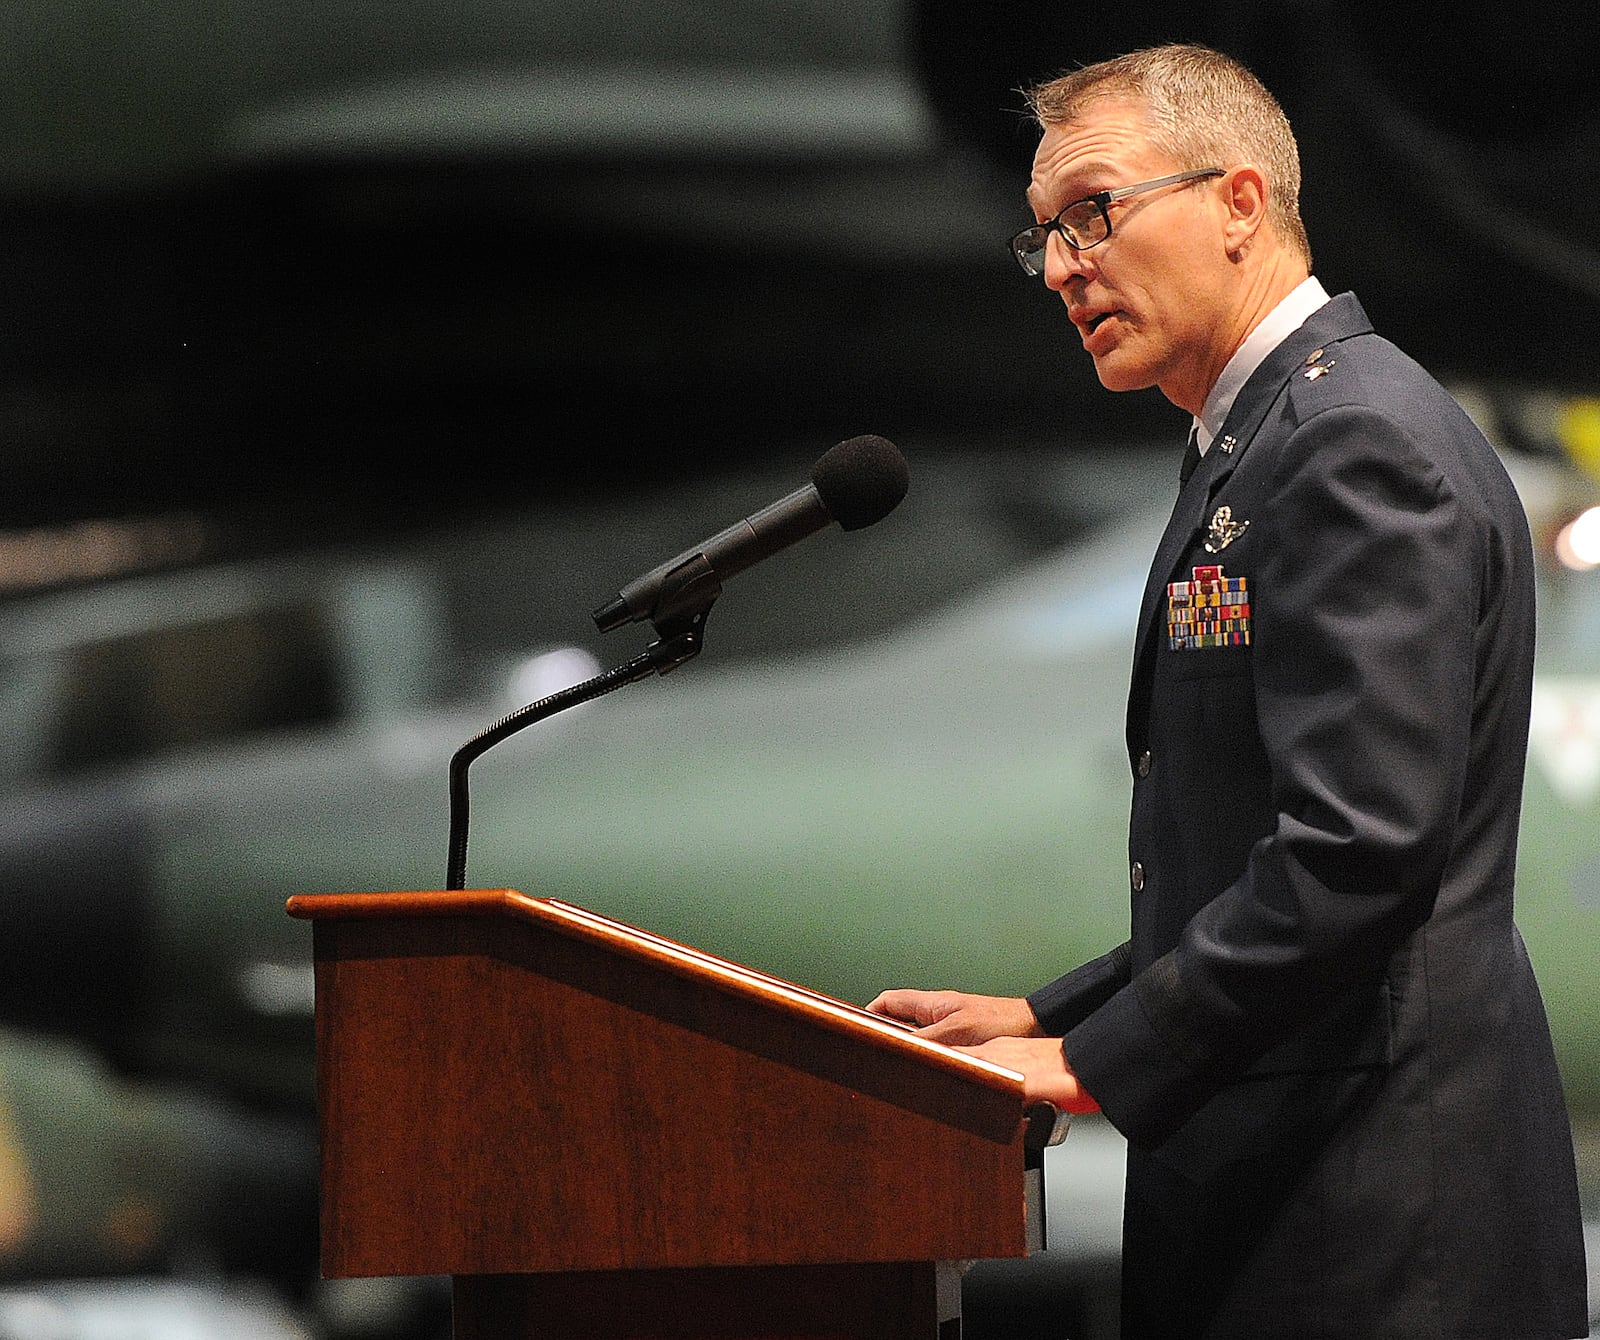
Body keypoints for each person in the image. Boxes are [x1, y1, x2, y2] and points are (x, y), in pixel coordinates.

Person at [868, 43, 1588, 1338]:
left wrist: (1095, 1061)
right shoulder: (1263, 441)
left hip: (1379, 1216)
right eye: (1043, 239)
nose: (1067, 267)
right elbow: (1249, 859)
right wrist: (1055, 1008)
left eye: (1095, 213)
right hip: (1311, 1178)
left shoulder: (1352, 443)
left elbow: (1356, 856)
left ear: (1241, 203)